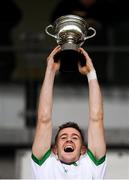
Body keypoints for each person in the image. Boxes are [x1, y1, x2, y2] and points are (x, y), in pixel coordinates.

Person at [31, 46, 107, 179]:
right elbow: (44, 119)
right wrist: (50, 70)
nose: (69, 139)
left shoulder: (92, 165)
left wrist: (91, 73)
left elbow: (97, 118)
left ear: (83, 150)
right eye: (63, 137)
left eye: (75, 138)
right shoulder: (45, 164)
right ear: (54, 150)